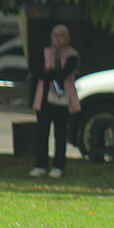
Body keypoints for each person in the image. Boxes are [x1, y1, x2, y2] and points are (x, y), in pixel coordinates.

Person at [30, 24, 80, 178]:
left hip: (62, 99)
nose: (58, 39)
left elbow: (63, 74)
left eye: (62, 36)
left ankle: (58, 166)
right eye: (55, 35)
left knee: (60, 133)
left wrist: (50, 72)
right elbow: (37, 72)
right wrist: (52, 74)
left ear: (67, 38)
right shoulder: (45, 52)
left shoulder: (72, 55)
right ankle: (40, 165)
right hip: (43, 98)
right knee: (41, 133)